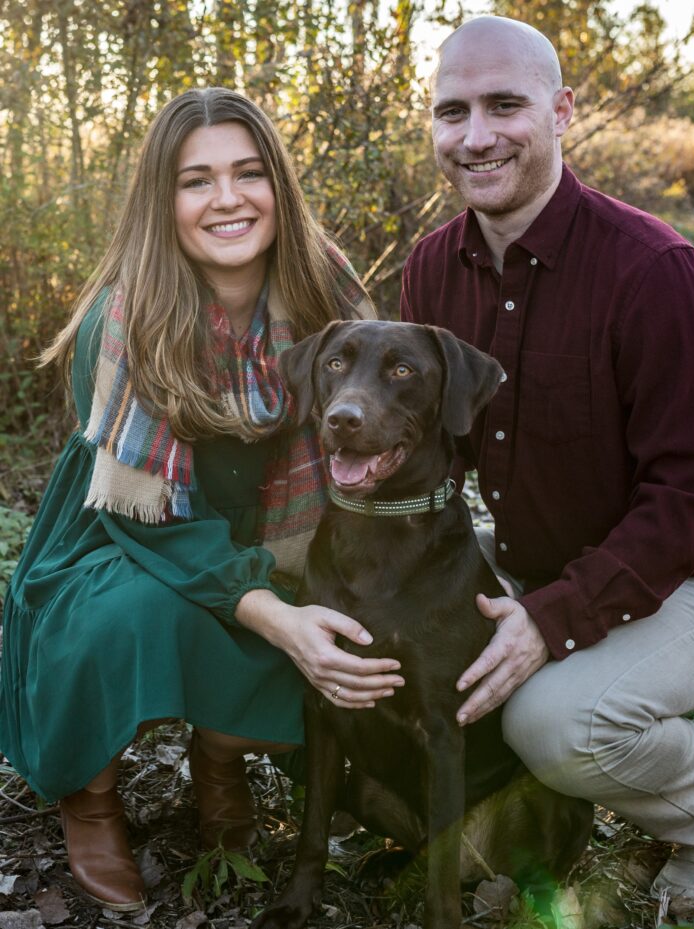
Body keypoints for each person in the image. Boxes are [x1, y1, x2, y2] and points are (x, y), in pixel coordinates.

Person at [400, 16, 694, 918]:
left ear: (563, 110)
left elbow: (688, 501)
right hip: (532, 560)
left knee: (552, 721)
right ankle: (527, 809)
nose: (477, 135)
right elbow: (434, 454)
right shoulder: (429, 270)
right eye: (453, 112)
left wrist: (547, 621)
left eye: (505, 105)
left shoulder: (655, 269)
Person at [0, 87, 406, 913]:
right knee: (139, 617)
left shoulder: (327, 289)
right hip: (127, 536)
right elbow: (149, 516)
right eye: (197, 180)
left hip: (283, 532)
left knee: (342, 628)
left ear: (277, 188)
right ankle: (91, 791)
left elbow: (383, 428)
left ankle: (219, 756)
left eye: (248, 173)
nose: (227, 199)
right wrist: (272, 611)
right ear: (165, 199)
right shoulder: (125, 315)